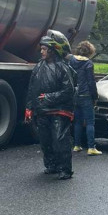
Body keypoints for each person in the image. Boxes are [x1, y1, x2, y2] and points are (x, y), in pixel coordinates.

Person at [25, 30, 76, 180]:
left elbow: (68, 90)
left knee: (60, 139)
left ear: (53, 50)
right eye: (41, 49)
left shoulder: (62, 67)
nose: (41, 52)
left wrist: (48, 97)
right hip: (42, 110)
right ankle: (51, 165)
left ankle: (65, 169)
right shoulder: (39, 66)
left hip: (60, 110)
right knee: (45, 140)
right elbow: (32, 88)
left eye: (44, 49)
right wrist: (29, 107)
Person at [69, 41, 102, 156]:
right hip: (86, 95)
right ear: (90, 51)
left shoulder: (71, 61)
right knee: (90, 122)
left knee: (77, 121)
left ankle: (77, 145)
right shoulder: (88, 63)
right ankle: (91, 147)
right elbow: (91, 82)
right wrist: (95, 96)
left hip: (75, 95)